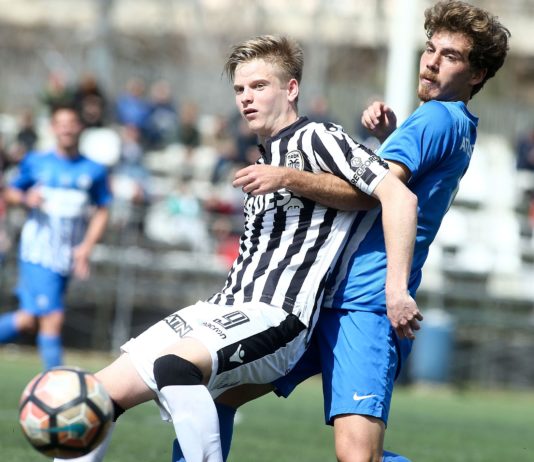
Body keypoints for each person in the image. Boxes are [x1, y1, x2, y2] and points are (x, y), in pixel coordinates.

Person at [170, 2, 511, 461]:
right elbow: (396, 181)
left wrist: (287, 176)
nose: (431, 61)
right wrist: (389, 137)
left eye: (450, 56)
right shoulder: (449, 121)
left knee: (357, 456)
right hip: (320, 298)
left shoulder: (436, 118)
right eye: (430, 48)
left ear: (477, 74)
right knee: (217, 394)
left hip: (362, 302)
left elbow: (369, 193)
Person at [57, 34, 417, 462]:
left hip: (279, 314)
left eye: (259, 86)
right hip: (224, 307)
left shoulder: (316, 137)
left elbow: (396, 195)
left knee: (175, 369)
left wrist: (397, 289)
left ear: (291, 89)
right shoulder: (264, 157)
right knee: (93, 397)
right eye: (240, 89)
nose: (246, 97)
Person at [0, 105, 112, 370]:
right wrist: (26, 198)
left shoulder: (94, 170)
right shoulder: (36, 161)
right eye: (61, 123)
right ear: (52, 128)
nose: (66, 128)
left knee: (28, 320)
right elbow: (10, 193)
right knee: (52, 319)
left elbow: (103, 209)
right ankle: (60, 385)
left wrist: (85, 248)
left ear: (80, 127)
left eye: (71, 123)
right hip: (37, 253)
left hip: (65, 257)